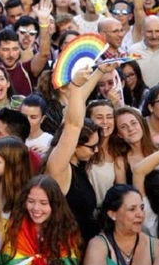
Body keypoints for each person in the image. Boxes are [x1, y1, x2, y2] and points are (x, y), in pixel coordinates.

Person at [47, 62, 118, 242]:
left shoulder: (78, 165)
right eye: (91, 147)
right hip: (66, 250)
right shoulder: (59, 166)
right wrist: (75, 86)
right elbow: (73, 123)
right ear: (74, 144)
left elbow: (75, 106)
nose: (96, 151)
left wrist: (100, 71)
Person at [0, 175, 81, 265]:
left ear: (55, 205)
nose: (36, 208)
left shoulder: (66, 234)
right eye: (31, 201)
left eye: (43, 203)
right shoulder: (9, 230)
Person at [82, 185, 159, 265]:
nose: (140, 214)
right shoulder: (98, 245)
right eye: (132, 209)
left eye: (142, 208)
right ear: (113, 214)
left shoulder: (155, 246)